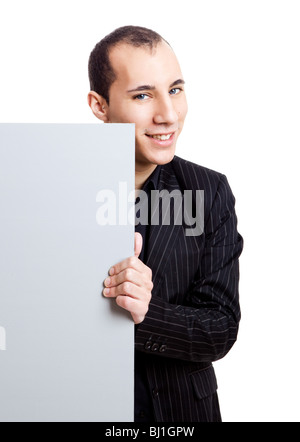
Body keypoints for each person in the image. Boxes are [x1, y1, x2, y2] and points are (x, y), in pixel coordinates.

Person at [87, 26, 243, 422]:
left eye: (175, 89)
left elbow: (221, 327)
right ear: (99, 105)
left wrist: (146, 313)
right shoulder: (46, 189)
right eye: (142, 95)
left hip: (184, 413)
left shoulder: (210, 191)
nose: (168, 115)